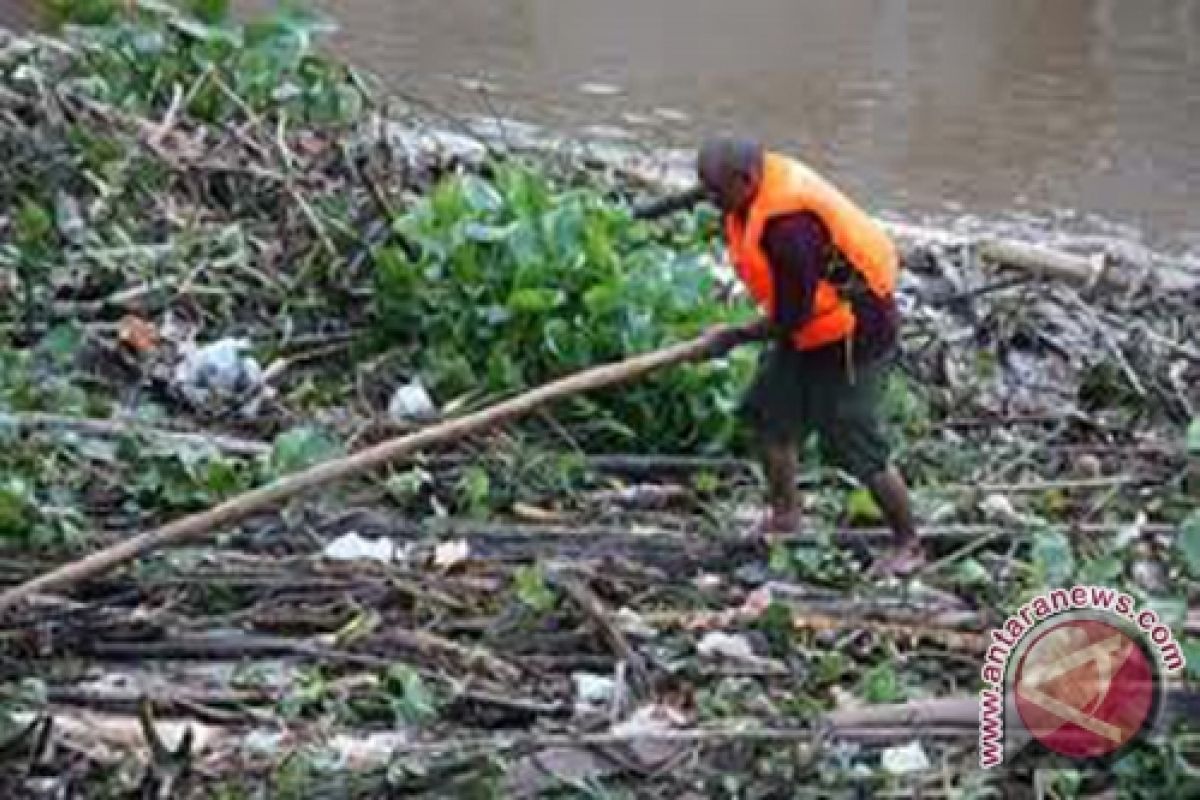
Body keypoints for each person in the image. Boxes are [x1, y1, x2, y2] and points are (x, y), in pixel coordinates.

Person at [695, 136, 926, 577]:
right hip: (811, 330)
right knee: (768, 415)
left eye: (715, 191)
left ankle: (908, 543)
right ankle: (786, 515)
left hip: (856, 334)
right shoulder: (750, 193)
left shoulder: (789, 230)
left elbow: (792, 315)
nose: (710, 202)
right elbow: (795, 317)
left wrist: (735, 335)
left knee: (854, 439)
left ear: (746, 180)